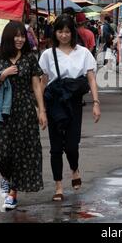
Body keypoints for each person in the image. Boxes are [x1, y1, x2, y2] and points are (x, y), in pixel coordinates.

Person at [39, 14, 101, 202]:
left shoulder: (83, 53)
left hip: (74, 102)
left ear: (72, 32)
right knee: (56, 148)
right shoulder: (47, 55)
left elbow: (91, 78)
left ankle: (74, 169)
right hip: (54, 102)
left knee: (72, 146)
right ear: (55, 33)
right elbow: (42, 82)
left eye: (67, 31)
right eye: (60, 31)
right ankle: (58, 186)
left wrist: (96, 103)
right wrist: (40, 109)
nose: (64, 35)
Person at [0, 21, 47, 210]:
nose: (20, 39)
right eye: (16, 35)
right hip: (3, 112)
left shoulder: (29, 58)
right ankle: (5, 178)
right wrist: (3, 75)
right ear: (8, 36)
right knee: (1, 154)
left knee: (21, 153)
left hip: (25, 110)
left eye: (22, 35)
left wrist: (41, 110)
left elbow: (36, 86)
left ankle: (12, 192)